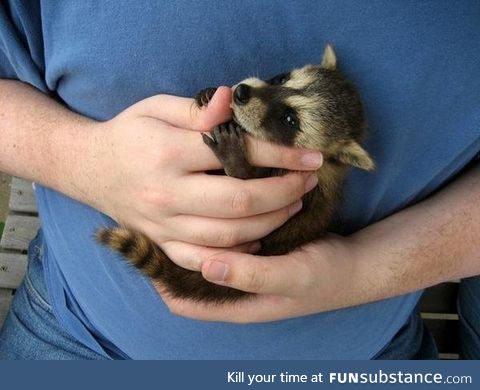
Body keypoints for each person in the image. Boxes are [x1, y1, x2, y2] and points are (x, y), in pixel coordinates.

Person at [0, 1, 479, 360]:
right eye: (284, 79)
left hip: (367, 358)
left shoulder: (317, 185)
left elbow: (278, 229)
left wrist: (365, 272)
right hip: (76, 333)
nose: (255, 91)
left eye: (289, 121)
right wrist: (80, 160)